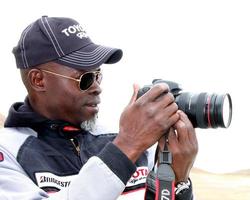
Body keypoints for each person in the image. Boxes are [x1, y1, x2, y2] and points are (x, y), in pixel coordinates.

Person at [0, 16, 198, 200]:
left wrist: (177, 183)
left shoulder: (120, 139)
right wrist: (127, 145)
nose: (97, 87)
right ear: (38, 80)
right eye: (85, 78)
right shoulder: (8, 152)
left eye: (97, 75)